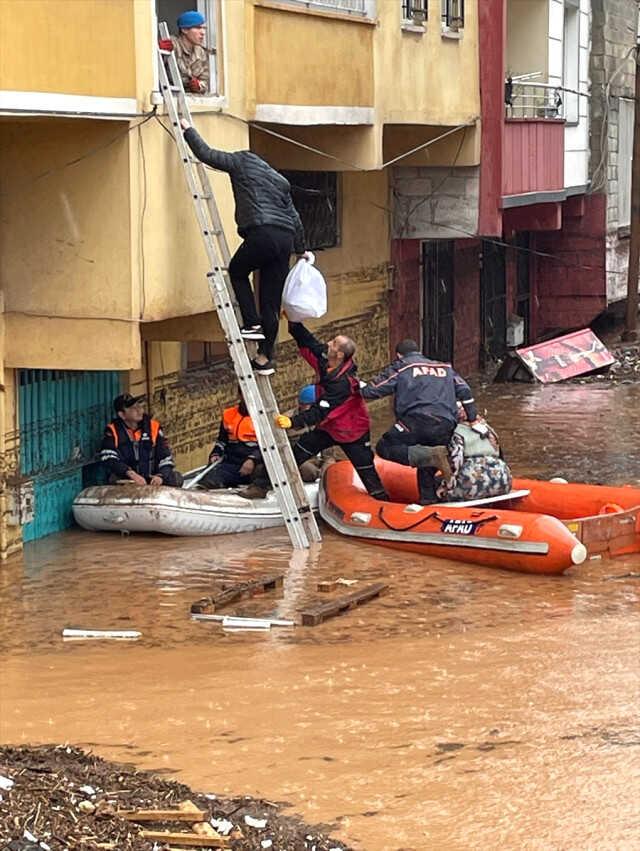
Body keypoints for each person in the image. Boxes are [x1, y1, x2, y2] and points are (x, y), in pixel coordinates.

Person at [180, 118, 306, 376]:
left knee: (237, 271)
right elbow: (295, 217)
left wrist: (187, 129)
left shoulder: (241, 161)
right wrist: (302, 248)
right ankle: (264, 358)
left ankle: (251, 323)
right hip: (285, 239)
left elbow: (206, 154)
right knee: (270, 301)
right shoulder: (280, 180)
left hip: (263, 231)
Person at [242, 323, 388, 500]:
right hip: (329, 426)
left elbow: (320, 410)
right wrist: (294, 325)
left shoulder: (344, 383)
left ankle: (382, 500)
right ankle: (260, 486)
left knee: (366, 470)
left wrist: (294, 422)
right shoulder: (327, 360)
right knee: (297, 452)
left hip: (352, 431)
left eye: (333, 343)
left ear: (340, 354)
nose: (328, 343)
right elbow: (310, 342)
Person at [361, 340, 477, 504]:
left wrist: (357, 386)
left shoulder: (402, 366)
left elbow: (373, 391)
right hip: (446, 423)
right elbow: (465, 390)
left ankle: (431, 456)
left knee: (385, 447)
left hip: (416, 420)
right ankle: (428, 499)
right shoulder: (445, 368)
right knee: (426, 463)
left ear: (399, 355)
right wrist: (472, 418)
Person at [99, 394, 183, 487]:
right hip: (128, 480)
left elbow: (166, 457)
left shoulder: (153, 427)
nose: (139, 410)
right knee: (113, 480)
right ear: (122, 415)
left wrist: (160, 476)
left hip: (152, 479)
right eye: (133, 408)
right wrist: (130, 473)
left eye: (139, 406)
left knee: (176, 478)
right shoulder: (113, 430)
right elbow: (109, 458)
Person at [436, 411, 512, 502]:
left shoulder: (456, 433)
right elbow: (500, 454)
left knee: (435, 484)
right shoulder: (487, 428)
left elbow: (455, 463)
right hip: (503, 480)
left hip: (473, 483)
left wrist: (445, 486)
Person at [199, 398, 261, 489]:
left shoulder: (262, 418)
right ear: (240, 395)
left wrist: (253, 459)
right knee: (208, 475)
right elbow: (221, 441)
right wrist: (215, 454)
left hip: (251, 465)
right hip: (231, 460)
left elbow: (269, 445)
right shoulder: (229, 415)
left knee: (216, 476)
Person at [170, 10, 210, 95]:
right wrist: (160, 49)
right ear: (184, 29)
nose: (203, 32)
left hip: (191, 100)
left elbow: (205, 81)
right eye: (198, 28)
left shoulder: (201, 53)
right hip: (172, 97)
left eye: (204, 28)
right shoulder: (173, 45)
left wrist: (199, 86)